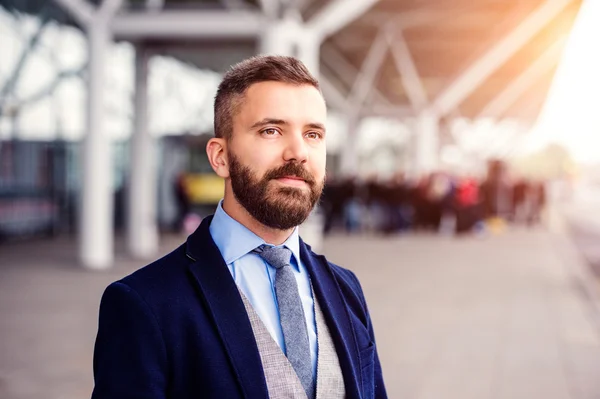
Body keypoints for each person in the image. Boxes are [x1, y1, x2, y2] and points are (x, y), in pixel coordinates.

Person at [91, 55, 387, 399]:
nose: (298, 152)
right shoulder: (146, 303)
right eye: (271, 130)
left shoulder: (346, 288)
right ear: (220, 156)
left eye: (313, 134)